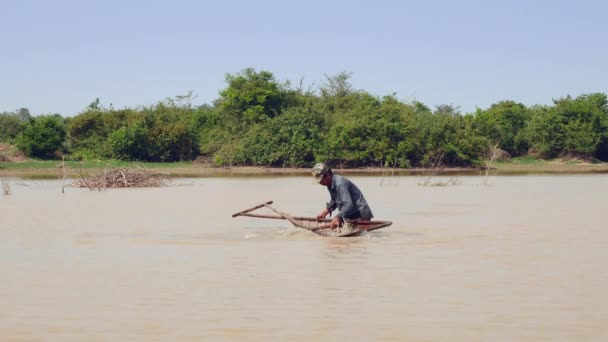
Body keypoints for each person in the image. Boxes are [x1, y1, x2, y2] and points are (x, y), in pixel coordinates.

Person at [312, 163, 373, 228]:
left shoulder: (339, 183)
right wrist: (326, 211)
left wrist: (338, 217)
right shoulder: (329, 184)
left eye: (320, 180)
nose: (320, 183)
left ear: (327, 175)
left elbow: (348, 204)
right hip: (350, 214)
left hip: (360, 214)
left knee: (361, 235)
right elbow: (334, 200)